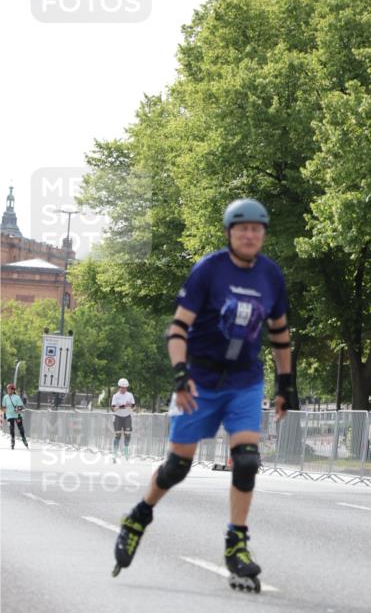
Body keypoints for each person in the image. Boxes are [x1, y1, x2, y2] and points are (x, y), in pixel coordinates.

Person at [113, 198, 298, 589]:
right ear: (230, 233)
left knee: (246, 461)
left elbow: (280, 333)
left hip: (244, 381)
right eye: (242, 229)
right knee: (176, 468)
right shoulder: (209, 270)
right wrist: (180, 376)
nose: (250, 235)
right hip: (200, 380)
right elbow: (177, 328)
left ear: (264, 234)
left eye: (257, 229)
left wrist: (286, 385)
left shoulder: (271, 276)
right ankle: (139, 515)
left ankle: (236, 545)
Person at [110, 378, 135, 461]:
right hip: (118, 417)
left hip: (127, 416)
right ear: (119, 387)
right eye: (122, 387)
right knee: (117, 435)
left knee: (127, 434)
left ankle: (126, 452)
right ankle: (115, 454)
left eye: (125, 387)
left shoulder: (130, 395)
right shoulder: (115, 396)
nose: (124, 389)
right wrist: (123, 406)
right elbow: (113, 408)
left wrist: (130, 407)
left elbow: (133, 406)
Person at [2, 384, 28, 449]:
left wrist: (18, 409)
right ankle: (12, 439)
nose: (8, 390)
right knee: (11, 427)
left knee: (20, 428)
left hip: (17, 415)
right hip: (9, 415)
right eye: (7, 389)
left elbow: (21, 407)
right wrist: (5, 414)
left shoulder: (17, 397)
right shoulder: (5, 397)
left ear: (13, 390)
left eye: (9, 389)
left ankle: (23, 438)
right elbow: (4, 407)